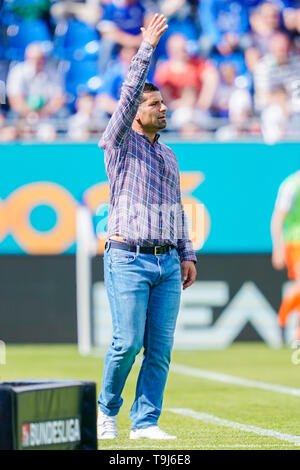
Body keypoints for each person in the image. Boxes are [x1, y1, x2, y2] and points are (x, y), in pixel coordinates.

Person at [97, 13, 197, 440]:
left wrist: (187, 253)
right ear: (136, 113)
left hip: (167, 262)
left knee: (159, 351)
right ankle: (106, 409)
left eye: (164, 103)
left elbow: (176, 207)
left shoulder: (170, 156)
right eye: (155, 104)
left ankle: (145, 423)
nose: (164, 107)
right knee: (126, 344)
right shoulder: (119, 143)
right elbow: (127, 95)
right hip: (128, 257)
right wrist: (147, 49)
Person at [271, 171, 300, 339]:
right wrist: (278, 248)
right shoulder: (292, 184)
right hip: (295, 243)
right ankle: (282, 319)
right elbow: (278, 218)